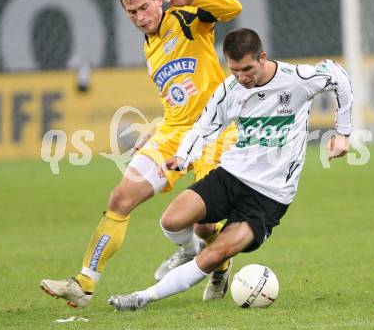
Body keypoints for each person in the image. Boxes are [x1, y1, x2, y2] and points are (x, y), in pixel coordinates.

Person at [107, 28, 353, 311]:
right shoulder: (230, 90)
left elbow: (339, 76)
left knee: (215, 254)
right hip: (231, 175)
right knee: (171, 221)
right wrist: (184, 157)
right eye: (234, 70)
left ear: (262, 58)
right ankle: (189, 250)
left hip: (269, 196)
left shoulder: (297, 79)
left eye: (247, 69)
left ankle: (142, 297)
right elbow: (204, 127)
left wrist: (343, 133)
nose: (242, 77)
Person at [40, 0, 242, 308]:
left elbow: (234, 9)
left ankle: (219, 262)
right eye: (132, 12)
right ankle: (84, 283)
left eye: (145, 7)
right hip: (174, 132)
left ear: (159, 0)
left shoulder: (187, 19)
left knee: (205, 225)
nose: (140, 17)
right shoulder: (149, 46)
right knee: (120, 197)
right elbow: (177, 96)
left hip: (215, 132)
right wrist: (158, 127)